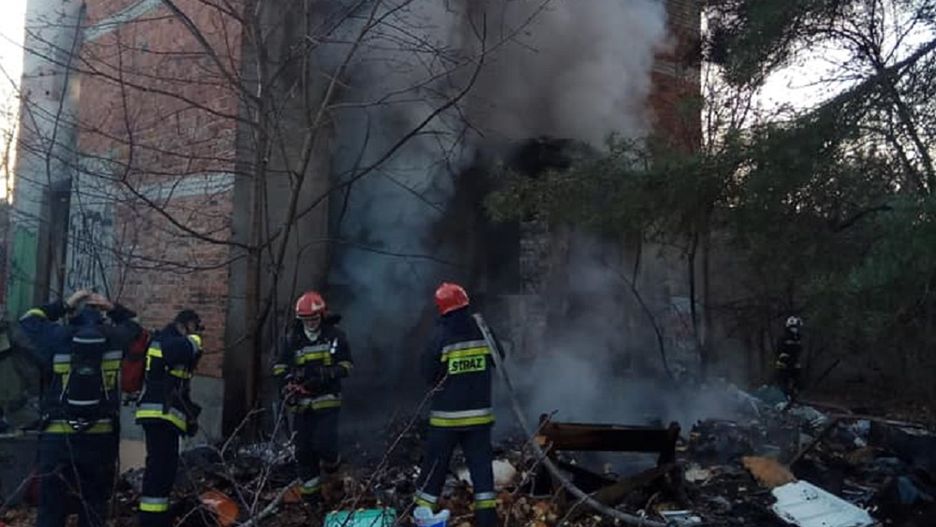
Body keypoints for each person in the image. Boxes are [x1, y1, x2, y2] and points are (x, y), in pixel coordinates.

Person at [19, 289, 140, 527]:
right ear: (101, 319)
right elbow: (135, 326)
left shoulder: (58, 335)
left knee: (50, 508)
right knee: (94, 506)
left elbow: (28, 322)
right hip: (100, 439)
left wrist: (66, 304)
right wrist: (111, 307)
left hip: (57, 439)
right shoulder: (115, 337)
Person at [414, 282, 497, 527]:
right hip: (479, 419)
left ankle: (422, 516)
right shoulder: (483, 329)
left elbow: (427, 372)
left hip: (446, 420)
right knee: (482, 472)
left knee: (434, 469)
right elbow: (498, 358)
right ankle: (486, 520)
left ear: (441, 309)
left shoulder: (439, 335)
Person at [272, 291, 353, 504]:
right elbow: (279, 367)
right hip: (301, 406)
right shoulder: (292, 340)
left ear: (322, 315)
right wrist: (288, 382)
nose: (311, 323)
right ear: (301, 319)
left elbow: (346, 365)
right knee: (304, 452)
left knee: (324, 443)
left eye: (314, 318)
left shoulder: (335, 336)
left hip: (327, 400)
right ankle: (312, 500)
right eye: (306, 319)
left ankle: (333, 467)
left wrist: (327, 374)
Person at [135, 309, 204, 527]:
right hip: (158, 414)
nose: (196, 333)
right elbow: (178, 352)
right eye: (195, 328)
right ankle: (150, 520)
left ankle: (158, 517)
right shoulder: (166, 339)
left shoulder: (170, 340)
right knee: (159, 467)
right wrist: (194, 341)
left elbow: (180, 389)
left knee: (166, 467)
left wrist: (190, 416)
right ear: (186, 324)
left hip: (165, 417)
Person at [776, 315, 804, 399]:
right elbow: (780, 351)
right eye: (793, 327)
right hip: (784, 364)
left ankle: (793, 397)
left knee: (798, 382)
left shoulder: (797, 338)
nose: (795, 329)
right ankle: (785, 398)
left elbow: (798, 351)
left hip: (793, 363)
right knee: (784, 383)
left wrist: (796, 363)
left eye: (796, 327)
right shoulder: (784, 337)